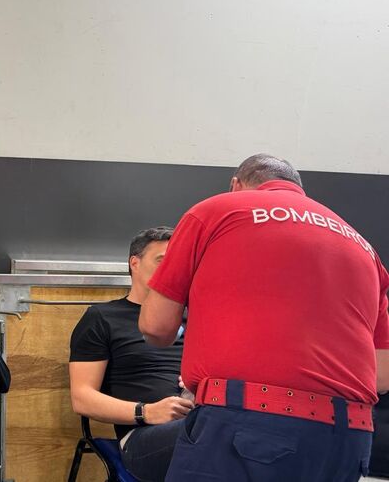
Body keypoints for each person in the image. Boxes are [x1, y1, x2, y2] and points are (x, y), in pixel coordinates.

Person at [140, 154, 389, 481]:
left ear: (235, 185)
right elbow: (382, 376)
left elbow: (156, 327)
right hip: (349, 437)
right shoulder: (365, 248)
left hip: (247, 425)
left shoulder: (215, 210)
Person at [69, 226, 191, 482]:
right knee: (213, 431)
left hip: (200, 418)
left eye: (177, 262)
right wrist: (146, 412)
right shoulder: (103, 318)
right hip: (143, 438)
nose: (172, 269)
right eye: (162, 260)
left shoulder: (196, 318)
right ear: (135, 263)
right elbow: (82, 398)